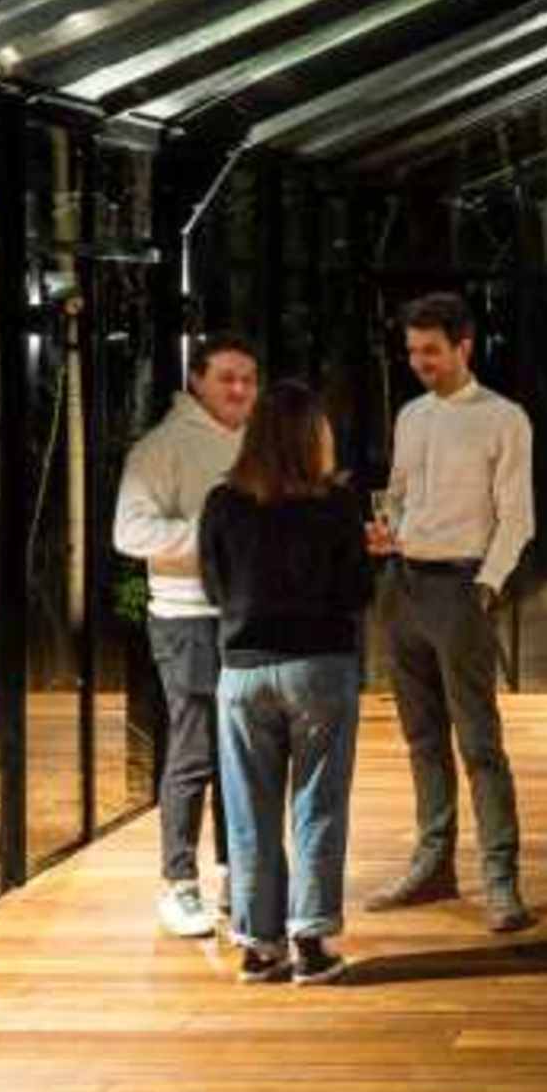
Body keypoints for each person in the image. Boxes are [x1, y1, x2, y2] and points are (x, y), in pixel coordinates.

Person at [365, 293, 538, 934]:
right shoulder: (411, 416)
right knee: (421, 737)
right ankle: (433, 864)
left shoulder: (504, 419)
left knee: (479, 742)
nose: (420, 362)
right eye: (413, 351)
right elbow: (398, 494)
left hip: (461, 589)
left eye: (431, 351)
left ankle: (501, 880)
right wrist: (388, 530)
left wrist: (486, 587)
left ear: (465, 346)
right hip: (402, 586)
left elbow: (517, 517)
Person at [201, 381, 374, 985]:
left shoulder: (222, 502)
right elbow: (357, 593)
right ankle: (311, 942)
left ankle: (258, 947)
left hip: (243, 671)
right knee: (318, 804)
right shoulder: (337, 505)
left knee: (248, 810)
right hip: (319, 667)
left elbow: (214, 587)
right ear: (312, 437)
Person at [115, 332, 260, 939]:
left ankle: (235, 874)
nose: (239, 389)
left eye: (248, 379)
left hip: (247, 615)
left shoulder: (257, 443)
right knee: (195, 750)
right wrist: (211, 537)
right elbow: (129, 533)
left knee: (240, 752)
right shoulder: (161, 447)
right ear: (196, 380)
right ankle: (179, 884)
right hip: (186, 618)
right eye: (226, 377)